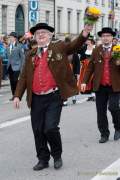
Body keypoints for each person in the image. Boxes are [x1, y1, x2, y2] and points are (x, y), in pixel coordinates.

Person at [13, 22, 93, 170]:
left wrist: (85, 33)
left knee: (50, 128)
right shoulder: (30, 54)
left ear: (50, 35)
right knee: (37, 130)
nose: (41, 35)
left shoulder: (59, 47)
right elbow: (23, 77)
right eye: (37, 33)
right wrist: (17, 95)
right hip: (36, 97)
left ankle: (57, 155)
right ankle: (43, 159)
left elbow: (74, 46)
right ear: (35, 37)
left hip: (53, 96)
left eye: (43, 32)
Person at [81, 27, 120, 143]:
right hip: (100, 86)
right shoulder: (96, 50)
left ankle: (118, 127)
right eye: (103, 36)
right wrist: (84, 81)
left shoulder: (118, 49)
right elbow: (90, 68)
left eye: (108, 36)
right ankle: (104, 133)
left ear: (112, 38)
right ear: (101, 38)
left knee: (113, 107)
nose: (105, 38)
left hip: (115, 85)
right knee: (100, 111)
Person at [7, 32, 25, 100]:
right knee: (11, 82)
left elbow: (23, 58)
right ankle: (13, 95)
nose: (10, 38)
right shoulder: (8, 46)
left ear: (15, 38)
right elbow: (8, 57)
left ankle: (17, 95)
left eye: (11, 37)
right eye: (9, 37)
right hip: (10, 67)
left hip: (17, 67)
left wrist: (22, 68)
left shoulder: (19, 46)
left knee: (15, 81)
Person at [78, 35, 95, 101]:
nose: (86, 41)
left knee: (92, 79)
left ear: (91, 41)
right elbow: (81, 56)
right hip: (85, 67)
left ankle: (93, 93)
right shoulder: (84, 47)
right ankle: (88, 93)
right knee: (85, 79)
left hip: (93, 66)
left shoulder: (95, 48)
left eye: (88, 40)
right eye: (86, 40)